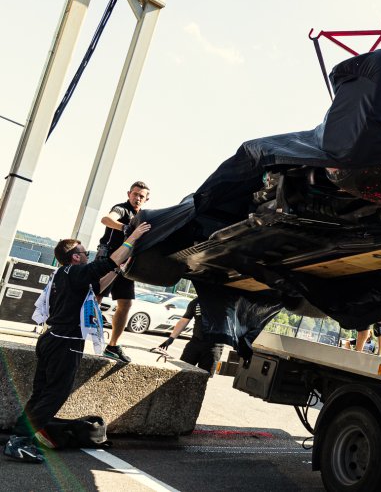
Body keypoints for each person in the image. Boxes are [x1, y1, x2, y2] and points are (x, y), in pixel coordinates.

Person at [4, 223, 150, 463]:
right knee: (55, 394)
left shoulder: (66, 274)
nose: (87, 255)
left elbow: (99, 286)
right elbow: (107, 263)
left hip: (52, 338)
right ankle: (19, 440)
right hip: (65, 343)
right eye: (84, 253)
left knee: (41, 393)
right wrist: (133, 237)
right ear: (75, 257)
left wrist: (118, 270)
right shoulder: (75, 271)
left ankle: (20, 437)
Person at [97, 181, 150, 363]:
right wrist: (124, 227)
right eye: (135, 194)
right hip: (108, 259)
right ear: (129, 194)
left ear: (146, 199)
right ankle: (78, 334)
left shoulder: (144, 217)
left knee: (126, 304)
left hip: (126, 264)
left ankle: (112, 346)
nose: (137, 198)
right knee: (95, 298)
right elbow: (106, 219)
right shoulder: (121, 209)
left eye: (141, 196)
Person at [154, 297, 225, 375]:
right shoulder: (196, 302)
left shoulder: (225, 302)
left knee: (204, 375)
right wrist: (171, 338)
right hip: (195, 342)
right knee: (182, 371)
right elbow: (184, 320)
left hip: (214, 346)